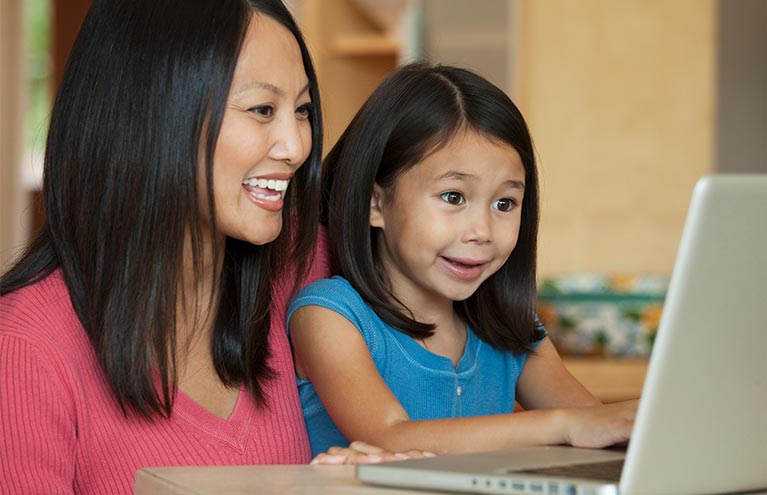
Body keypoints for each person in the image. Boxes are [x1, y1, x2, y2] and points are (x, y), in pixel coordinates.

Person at [0, 1, 409, 494]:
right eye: (263, 110)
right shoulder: (25, 349)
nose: (297, 147)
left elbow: (491, 334)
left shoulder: (305, 267)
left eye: (301, 111)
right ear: (153, 113)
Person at [288, 63, 638, 457]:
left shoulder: (513, 333)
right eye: (454, 197)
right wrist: (563, 424)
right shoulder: (329, 316)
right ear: (376, 203)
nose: (482, 231)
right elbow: (389, 436)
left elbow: (601, 428)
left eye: (505, 203)